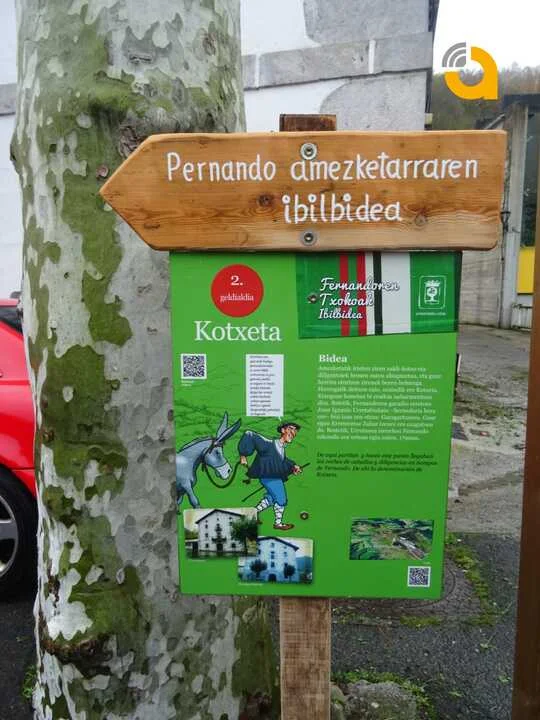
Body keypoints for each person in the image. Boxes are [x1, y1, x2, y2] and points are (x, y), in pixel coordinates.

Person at [238, 422, 302, 531]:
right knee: (281, 499)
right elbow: (250, 434)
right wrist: (243, 455)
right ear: (283, 430)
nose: (293, 432)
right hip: (269, 477)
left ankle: (251, 515)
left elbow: (282, 461)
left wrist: (293, 467)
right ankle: (278, 524)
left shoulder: (281, 448)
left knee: (271, 498)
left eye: (295, 430)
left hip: (273, 477)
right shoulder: (268, 444)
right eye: (290, 429)